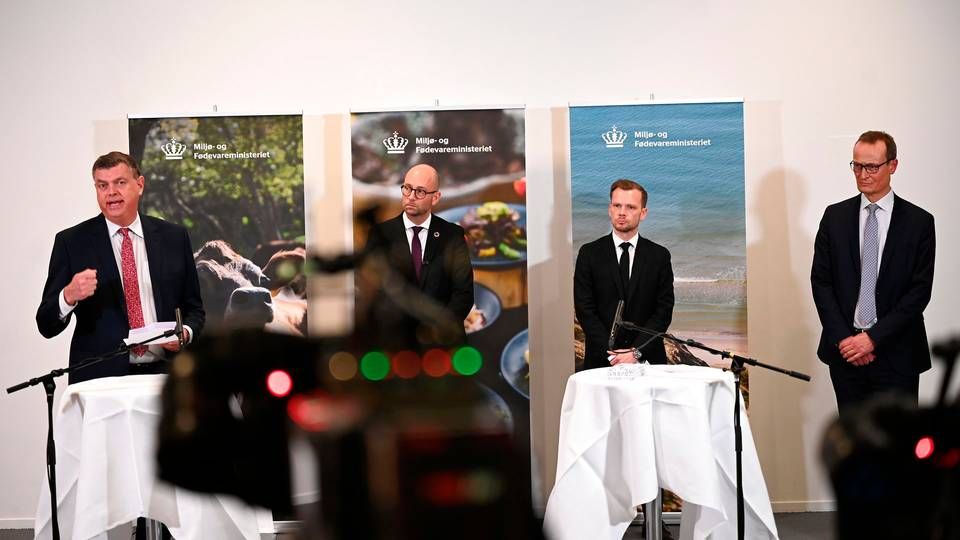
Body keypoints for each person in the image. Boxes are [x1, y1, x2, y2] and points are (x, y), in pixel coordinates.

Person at [36, 151, 205, 384]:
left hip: (167, 378)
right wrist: (68, 296)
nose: (111, 192)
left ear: (140, 184)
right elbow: (45, 324)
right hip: (101, 380)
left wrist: (185, 333)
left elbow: (194, 309)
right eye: (102, 185)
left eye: (120, 183)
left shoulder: (173, 237)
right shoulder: (72, 242)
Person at [811, 131, 935, 413]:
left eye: (871, 167)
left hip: (897, 355)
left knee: (898, 449)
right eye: (857, 165)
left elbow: (919, 292)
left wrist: (872, 338)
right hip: (846, 356)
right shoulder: (834, 217)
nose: (863, 174)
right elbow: (821, 282)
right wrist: (845, 339)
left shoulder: (919, 222)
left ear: (893, 166)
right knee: (853, 451)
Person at [361, 163, 474, 351]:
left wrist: (437, 329)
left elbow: (463, 293)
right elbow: (372, 289)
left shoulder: (452, 234)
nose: (411, 197)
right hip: (394, 344)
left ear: (435, 197)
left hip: (444, 342)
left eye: (420, 192)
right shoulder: (380, 234)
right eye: (407, 189)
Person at [574, 179, 675, 370]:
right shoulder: (589, 253)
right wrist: (612, 353)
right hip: (601, 362)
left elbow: (663, 312)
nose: (622, 212)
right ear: (609, 209)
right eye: (617, 205)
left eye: (630, 207)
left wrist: (635, 352)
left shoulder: (659, 256)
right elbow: (585, 310)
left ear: (643, 213)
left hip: (648, 362)